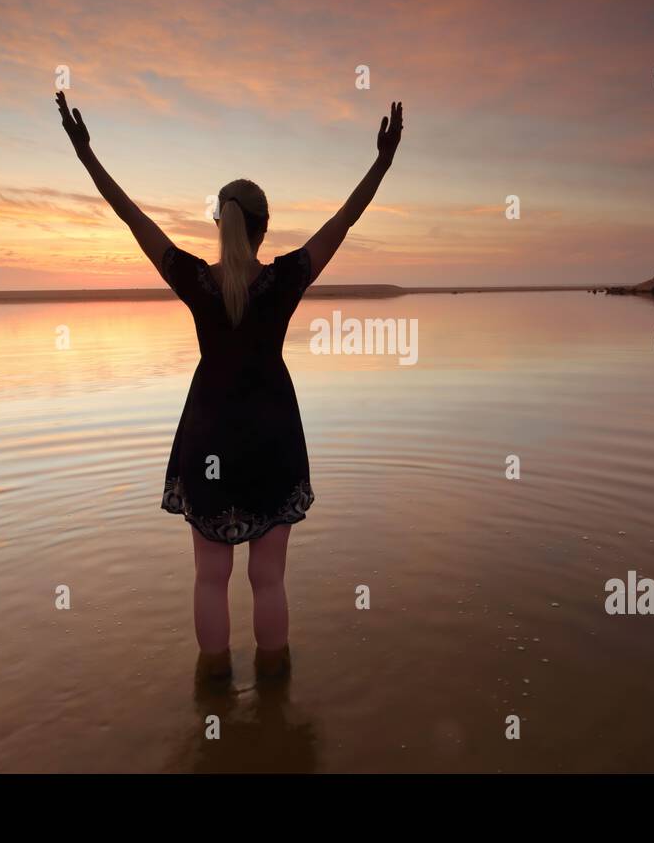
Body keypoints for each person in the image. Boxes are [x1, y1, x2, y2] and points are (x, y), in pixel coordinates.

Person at [56, 90, 404, 681]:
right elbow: (345, 219)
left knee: (209, 579)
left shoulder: (196, 281)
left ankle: (213, 702)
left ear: (221, 225)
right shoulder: (287, 278)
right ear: (265, 228)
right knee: (268, 580)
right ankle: (275, 704)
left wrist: (85, 154)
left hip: (209, 438)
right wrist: (382, 162)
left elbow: (129, 215)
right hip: (272, 436)